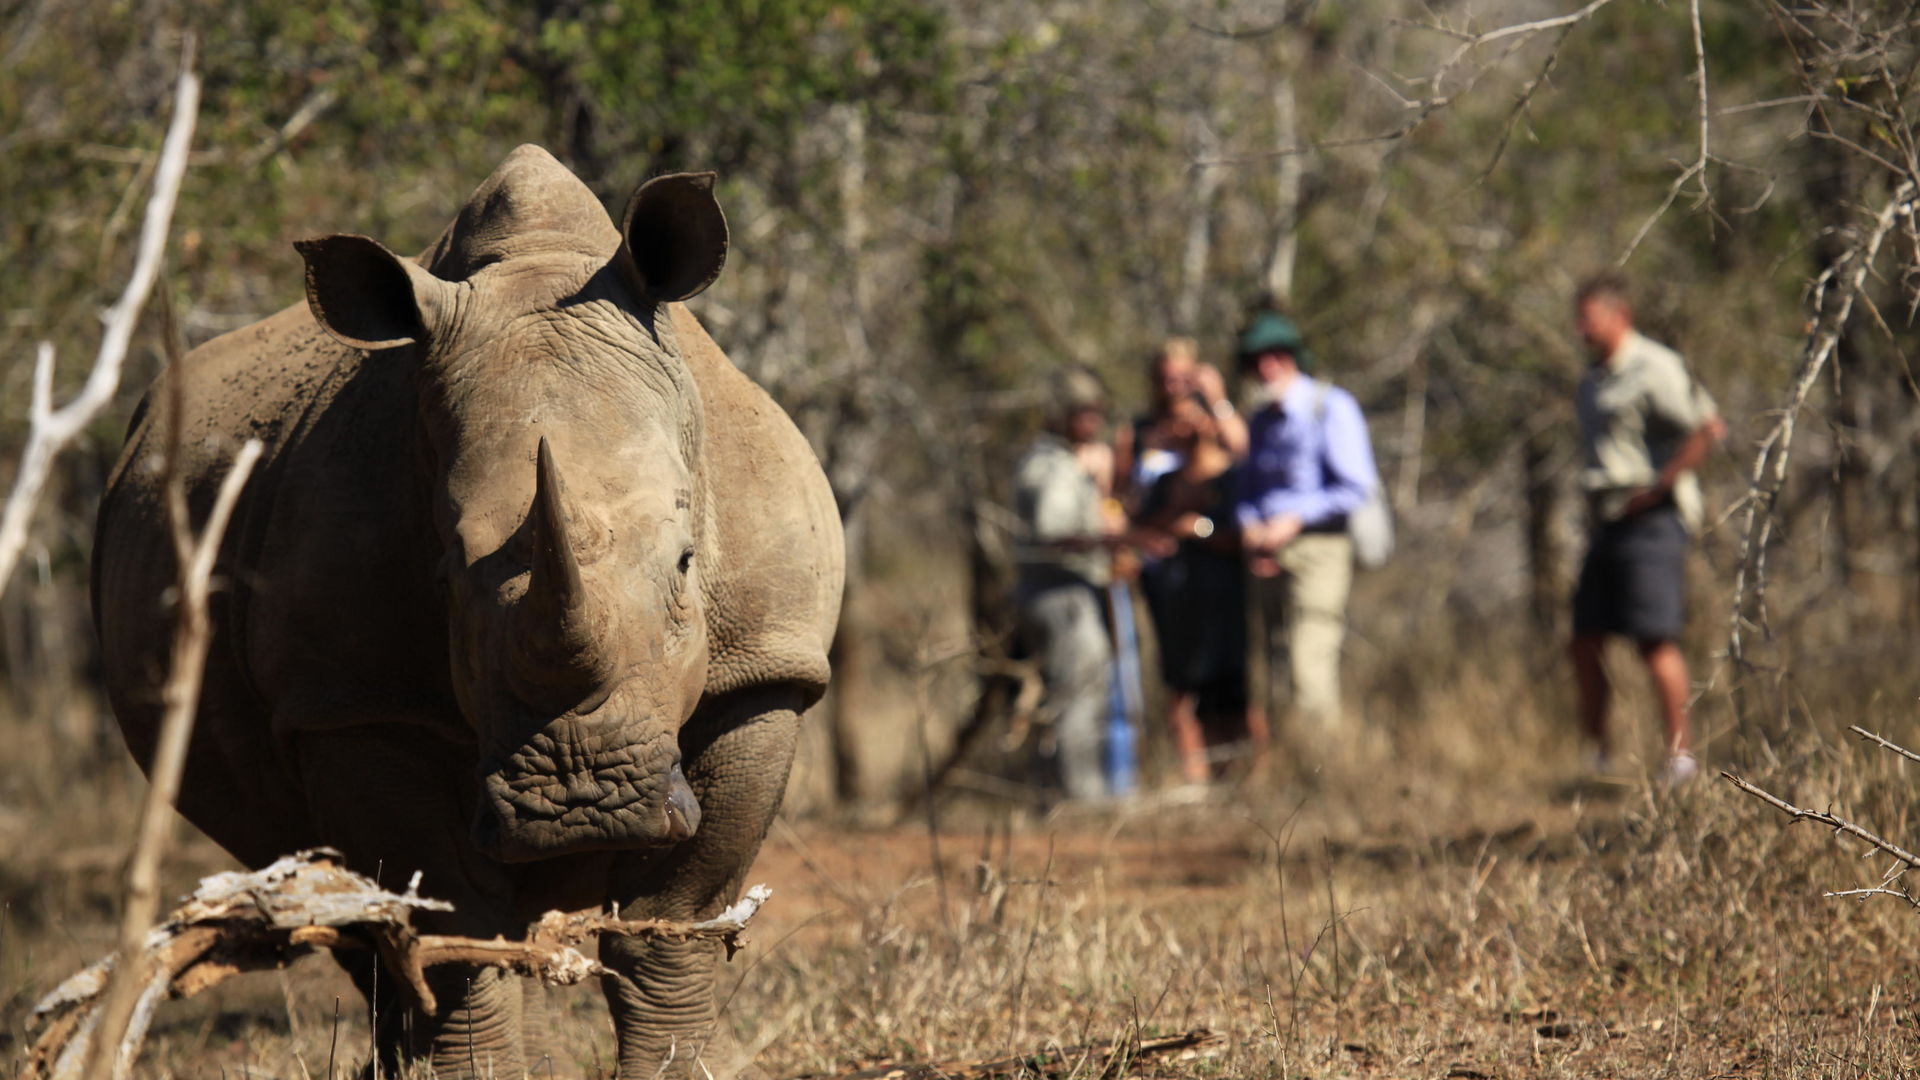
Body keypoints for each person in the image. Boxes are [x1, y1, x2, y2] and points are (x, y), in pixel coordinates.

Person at [1570, 274, 1726, 784]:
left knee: (1654, 639)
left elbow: (1707, 427)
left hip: (1652, 521)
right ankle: (1597, 754)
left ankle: (1680, 758)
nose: (1581, 329)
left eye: (1589, 318)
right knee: (1585, 637)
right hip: (1607, 520)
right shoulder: (1594, 377)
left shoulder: (1655, 366)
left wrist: (1660, 487)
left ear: (1620, 316)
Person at [1013, 367, 1169, 800]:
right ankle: (1080, 799)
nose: (1092, 420)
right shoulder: (1051, 466)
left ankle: (1066, 794)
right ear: (1060, 414)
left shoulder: (1063, 459)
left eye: (1095, 411)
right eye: (1083, 412)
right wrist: (1122, 539)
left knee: (1078, 691)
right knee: (1078, 694)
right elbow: (1052, 531)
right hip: (1060, 591)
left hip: (1066, 590)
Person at [1233, 311, 1380, 742]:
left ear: (1292, 357)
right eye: (1257, 359)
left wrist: (1294, 520)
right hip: (1267, 555)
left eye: (1274, 356)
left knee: (1308, 661)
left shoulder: (1331, 407)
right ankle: (1286, 761)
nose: (1266, 367)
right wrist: (1251, 528)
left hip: (1319, 550)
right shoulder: (1258, 420)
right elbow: (1247, 490)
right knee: (1274, 664)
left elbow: (1357, 487)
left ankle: (1321, 769)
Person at [1137, 394, 1267, 783]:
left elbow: (1244, 537)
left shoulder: (1232, 476)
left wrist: (1198, 529)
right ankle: (1197, 784)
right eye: (1175, 421)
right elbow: (1145, 527)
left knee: (1232, 691)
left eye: (1190, 419)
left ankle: (1251, 779)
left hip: (1224, 599)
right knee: (1182, 690)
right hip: (1176, 598)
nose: (1184, 429)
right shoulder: (1163, 481)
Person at [1114, 339, 1249, 511]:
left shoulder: (1209, 424)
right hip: (1151, 527)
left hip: (1203, 527)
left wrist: (1217, 398)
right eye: (1166, 380)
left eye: (1184, 379)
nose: (1174, 388)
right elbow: (1121, 492)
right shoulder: (1137, 432)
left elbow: (1240, 447)